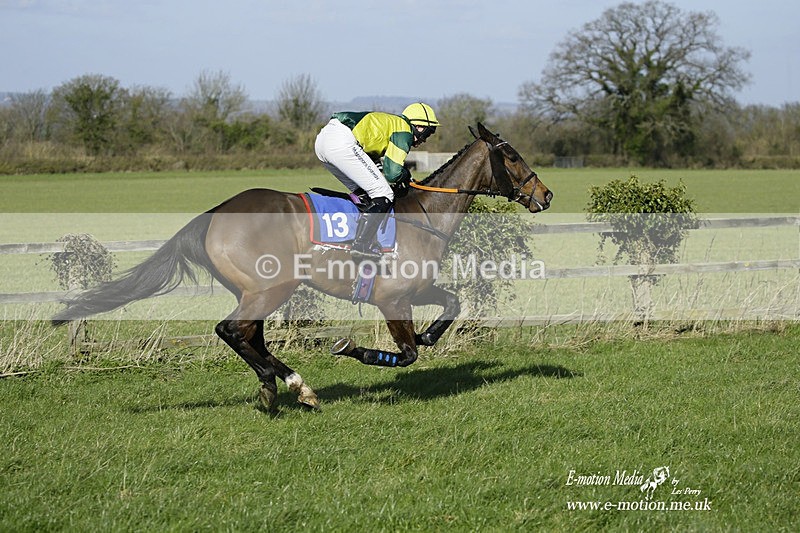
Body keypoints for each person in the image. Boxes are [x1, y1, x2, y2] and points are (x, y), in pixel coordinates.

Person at [314, 102, 440, 257]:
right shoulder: (404, 130)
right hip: (341, 142)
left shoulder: (393, 124)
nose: (425, 139)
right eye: (428, 133)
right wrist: (406, 175)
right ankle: (360, 246)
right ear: (419, 127)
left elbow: (377, 167)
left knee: (365, 195)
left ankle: (351, 236)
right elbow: (392, 173)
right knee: (384, 194)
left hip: (323, 141)